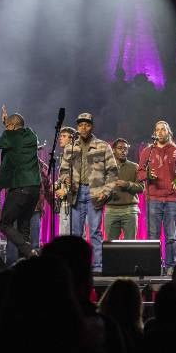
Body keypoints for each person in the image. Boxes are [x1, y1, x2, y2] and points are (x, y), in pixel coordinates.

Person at [57, 112, 118, 273]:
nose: (83, 127)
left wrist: (106, 192)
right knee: (76, 234)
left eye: (87, 124)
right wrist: (65, 179)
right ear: (77, 127)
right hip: (75, 194)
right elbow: (63, 171)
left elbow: (112, 172)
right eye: (81, 125)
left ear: (92, 127)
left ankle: (98, 267)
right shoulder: (70, 147)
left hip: (95, 193)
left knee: (95, 232)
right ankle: (79, 267)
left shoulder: (102, 146)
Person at [0, 106, 42, 262]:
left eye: (8, 126)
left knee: (5, 224)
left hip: (19, 187)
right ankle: (26, 264)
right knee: (23, 226)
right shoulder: (31, 134)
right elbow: (16, 135)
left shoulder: (10, 136)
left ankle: (29, 251)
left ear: (13, 127)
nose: (6, 128)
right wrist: (7, 125)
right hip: (34, 188)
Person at [138, 121, 176, 272]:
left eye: (163, 129)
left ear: (169, 132)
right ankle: (153, 265)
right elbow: (140, 172)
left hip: (172, 200)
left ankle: (171, 266)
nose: (160, 132)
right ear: (154, 133)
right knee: (153, 235)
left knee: (171, 236)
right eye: (158, 130)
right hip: (153, 198)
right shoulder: (147, 151)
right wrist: (147, 175)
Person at [106, 139, 144, 241]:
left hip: (130, 210)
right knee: (110, 246)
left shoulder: (134, 167)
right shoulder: (106, 167)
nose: (123, 151)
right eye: (120, 148)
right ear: (113, 150)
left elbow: (141, 188)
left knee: (130, 245)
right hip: (111, 210)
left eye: (125, 149)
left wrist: (127, 184)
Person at [53, 127, 78, 236]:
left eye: (64, 136)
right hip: (65, 202)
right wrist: (57, 185)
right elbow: (65, 176)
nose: (60, 138)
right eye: (60, 136)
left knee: (74, 235)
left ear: (72, 139)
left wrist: (66, 191)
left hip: (74, 202)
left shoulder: (76, 154)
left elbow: (78, 178)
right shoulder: (63, 155)